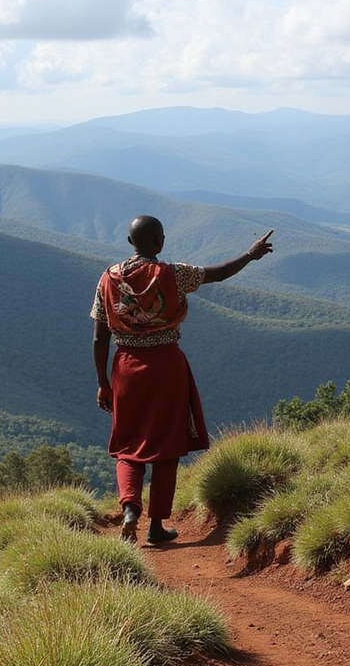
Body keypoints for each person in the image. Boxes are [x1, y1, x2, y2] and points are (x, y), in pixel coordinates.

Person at [92, 215, 274, 544]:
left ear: (130, 242)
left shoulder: (108, 279)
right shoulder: (174, 274)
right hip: (167, 366)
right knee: (167, 446)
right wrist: (250, 254)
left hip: (126, 369)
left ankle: (130, 507)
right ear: (159, 242)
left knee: (128, 445)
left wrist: (103, 382)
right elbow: (219, 273)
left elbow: (98, 338)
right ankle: (156, 526)